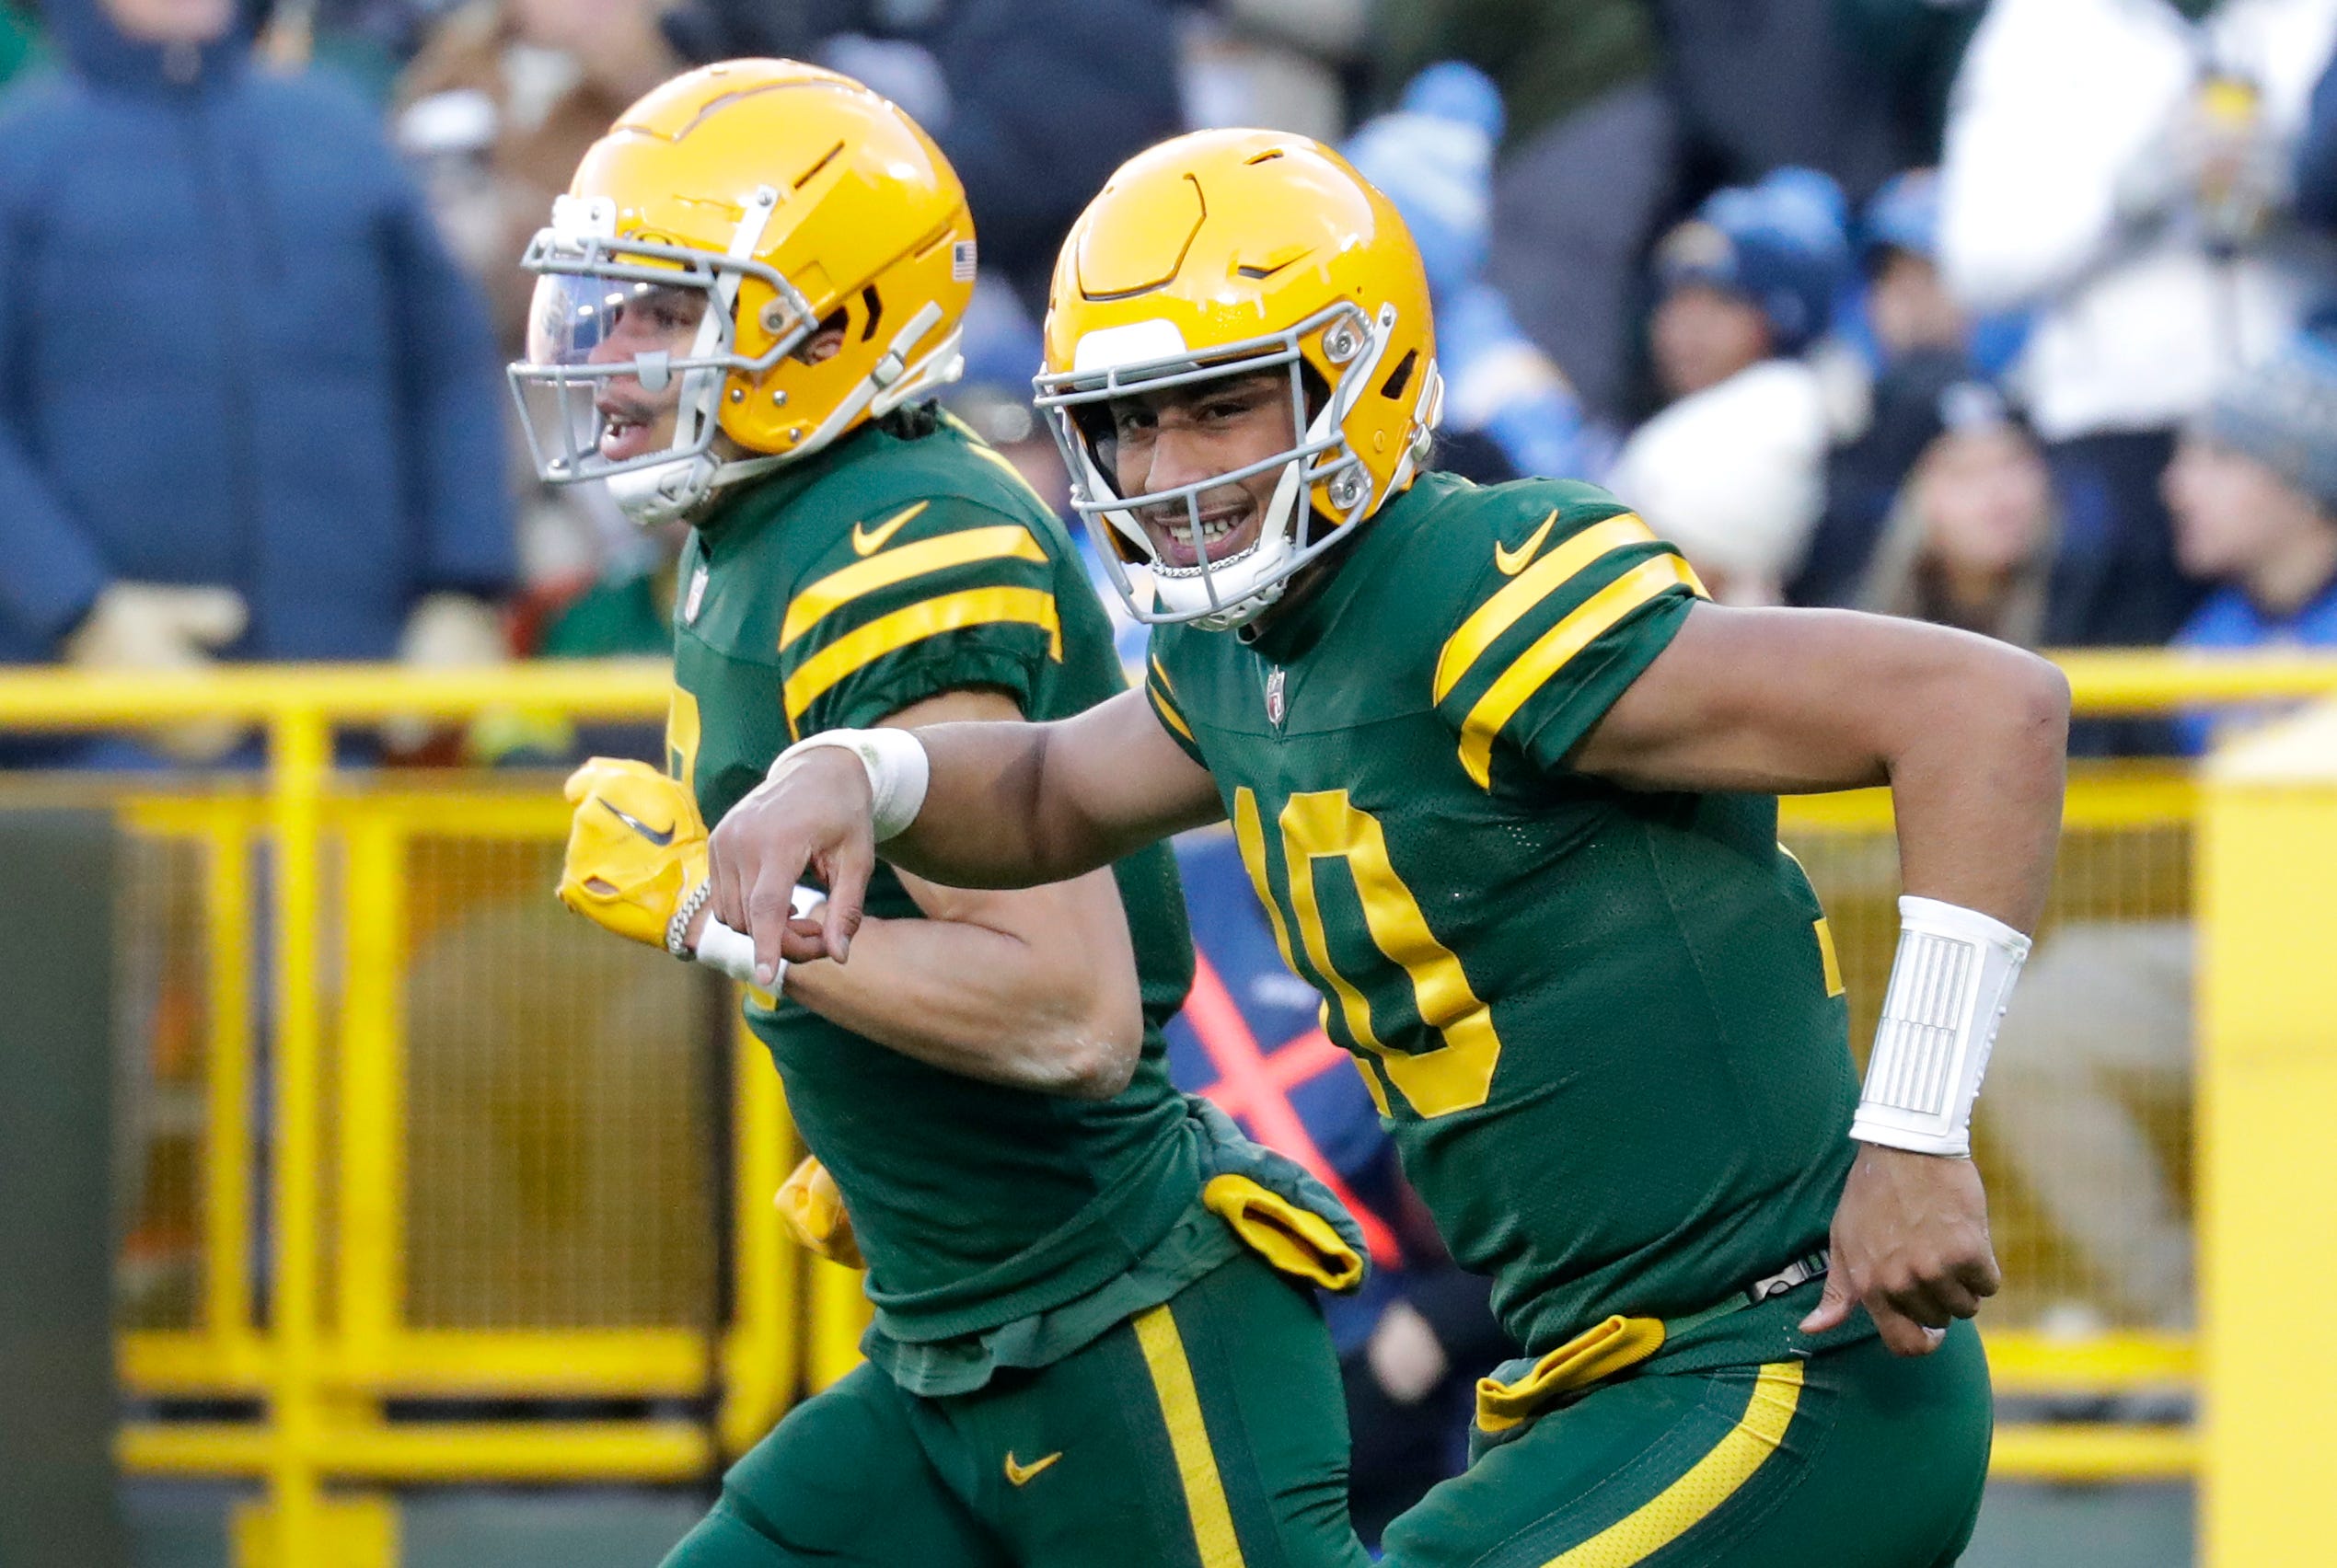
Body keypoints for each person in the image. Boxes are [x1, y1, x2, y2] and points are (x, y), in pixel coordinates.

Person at [708, 127, 2070, 1567]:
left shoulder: (1472, 592)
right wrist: (855, 767)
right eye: (1129, 422)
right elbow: (1046, 790)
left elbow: (1984, 708)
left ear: (1357, 378)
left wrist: (1914, 1131)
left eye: (1218, 407)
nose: (1165, 465)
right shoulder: (1237, 653)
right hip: (1598, 1382)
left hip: (1784, 1361)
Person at [526, 63, 1376, 1568]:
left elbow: (1062, 1009)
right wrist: (892, 1146)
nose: (614, 353)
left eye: (666, 310)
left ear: (829, 326)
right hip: (954, 1330)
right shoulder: (765, 517)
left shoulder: (893, 539)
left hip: (1116, 1327)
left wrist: (704, 910)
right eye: (610, 305)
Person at [0, 0, 515, 763]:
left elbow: (447, 370)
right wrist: (82, 616)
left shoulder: (339, 136)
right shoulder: (21, 155)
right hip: (87, 751)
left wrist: (463, 590)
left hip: (357, 730)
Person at [1985, 333, 2337, 1336]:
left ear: (2300, 484)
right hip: (2237, 952)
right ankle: (2196, 1339)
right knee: (2031, 1028)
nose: (2178, 485)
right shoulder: (2197, 642)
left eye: (2217, 458)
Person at [1937, 0, 2337, 651]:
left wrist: (2305, 187)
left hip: (2295, 446)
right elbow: (1977, 262)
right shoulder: (2042, 22)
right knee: (2116, 690)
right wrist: (2120, 204)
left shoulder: (2311, 15)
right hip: (2114, 442)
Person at [1605, 169, 1852, 603]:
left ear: (1782, 317)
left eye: (1720, 303)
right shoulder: (1664, 412)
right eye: (1678, 299)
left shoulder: (1786, 405)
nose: (1687, 328)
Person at [1855, 378, 2058, 649]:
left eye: (2013, 464)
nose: (1998, 492)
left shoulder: (2095, 603)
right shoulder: (1859, 621)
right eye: (1966, 472)